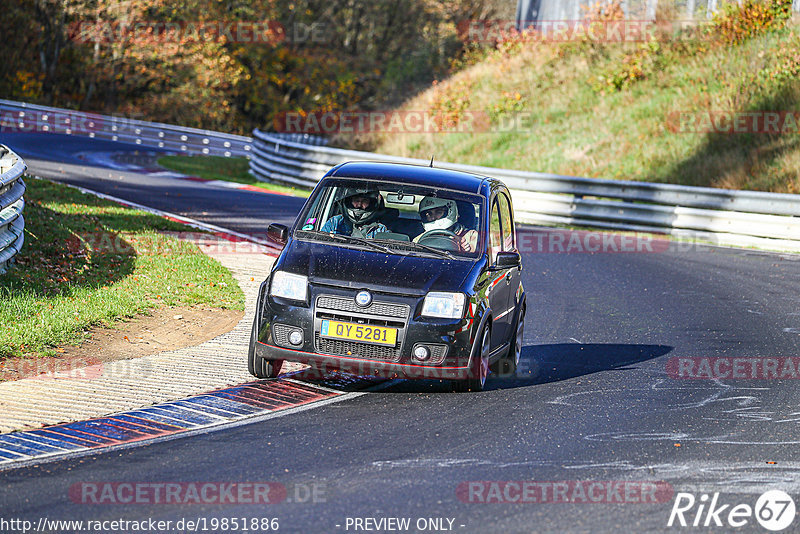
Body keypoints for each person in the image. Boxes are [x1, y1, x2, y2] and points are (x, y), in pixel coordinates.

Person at [321, 187, 388, 238]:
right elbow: (320, 245)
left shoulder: (379, 229)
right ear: (349, 201)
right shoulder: (335, 223)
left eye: (364, 201)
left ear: (372, 204)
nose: (359, 205)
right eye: (356, 200)